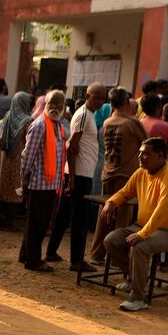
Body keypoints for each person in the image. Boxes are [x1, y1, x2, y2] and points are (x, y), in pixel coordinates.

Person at [100, 137, 168, 313]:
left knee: (139, 247)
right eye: (140, 154)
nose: (141, 157)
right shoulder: (141, 172)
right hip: (141, 225)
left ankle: (138, 297)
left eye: (146, 154)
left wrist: (143, 234)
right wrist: (112, 202)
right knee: (111, 241)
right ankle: (136, 278)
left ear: (161, 156)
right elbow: (125, 192)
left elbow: (163, 209)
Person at [87, 88, 148, 265]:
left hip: (108, 172)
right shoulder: (132, 123)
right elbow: (147, 144)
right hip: (126, 175)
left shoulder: (107, 121)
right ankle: (116, 256)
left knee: (104, 213)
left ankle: (97, 254)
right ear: (126, 102)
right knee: (123, 216)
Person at [18, 90, 70, 272]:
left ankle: (26, 254)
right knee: (37, 224)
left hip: (51, 184)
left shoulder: (58, 125)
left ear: (64, 107)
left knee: (38, 222)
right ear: (45, 104)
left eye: (58, 104)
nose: (55, 107)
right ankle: (33, 260)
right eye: (51, 103)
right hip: (39, 184)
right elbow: (27, 156)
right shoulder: (40, 125)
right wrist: (23, 181)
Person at [60, 83, 105, 272]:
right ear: (87, 96)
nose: (100, 102)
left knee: (67, 215)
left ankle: (55, 252)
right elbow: (71, 146)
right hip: (79, 173)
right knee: (80, 219)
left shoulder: (90, 114)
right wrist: (72, 179)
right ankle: (76, 260)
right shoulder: (84, 114)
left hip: (82, 172)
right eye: (97, 97)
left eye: (103, 99)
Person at [0, 90, 35, 228]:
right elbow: (29, 140)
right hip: (19, 157)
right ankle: (9, 220)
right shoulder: (28, 120)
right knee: (16, 188)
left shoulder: (8, 116)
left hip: (6, 157)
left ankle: (3, 218)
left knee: (6, 186)